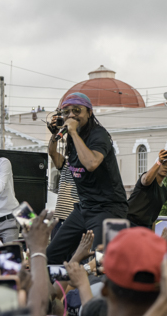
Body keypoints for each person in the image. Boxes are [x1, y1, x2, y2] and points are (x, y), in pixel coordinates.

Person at [46, 93, 128, 264]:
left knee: (98, 262)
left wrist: (73, 132)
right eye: (66, 112)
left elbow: (91, 163)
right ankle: (61, 282)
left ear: (89, 113)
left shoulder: (98, 134)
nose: (71, 115)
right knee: (52, 255)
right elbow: (55, 157)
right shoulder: (73, 138)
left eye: (77, 110)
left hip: (107, 209)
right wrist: (55, 135)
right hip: (84, 208)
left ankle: (89, 281)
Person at [127, 149, 167, 229]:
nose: (166, 167)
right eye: (163, 164)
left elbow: (153, 217)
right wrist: (159, 161)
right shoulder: (147, 178)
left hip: (146, 226)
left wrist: (152, 234)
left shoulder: (164, 191)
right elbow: (146, 180)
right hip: (130, 222)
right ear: (158, 164)